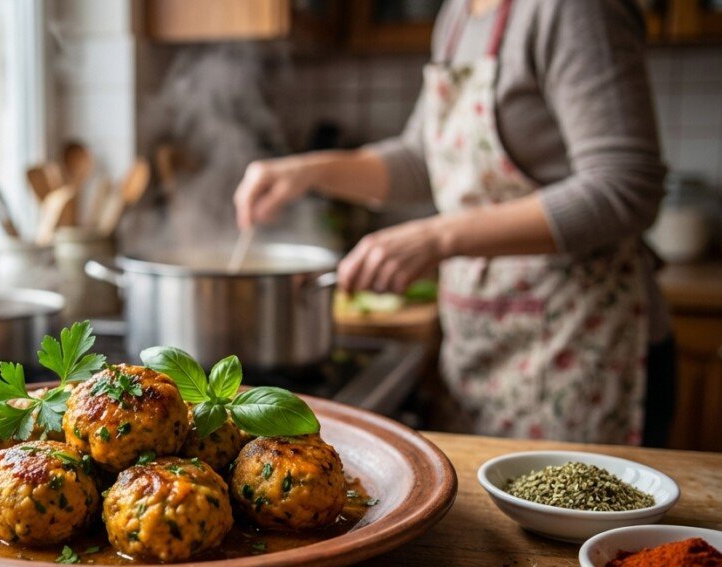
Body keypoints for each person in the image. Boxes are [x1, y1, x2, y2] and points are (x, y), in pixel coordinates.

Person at [232, 0, 673, 447]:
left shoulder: (572, 10)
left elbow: (625, 185)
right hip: (484, 339)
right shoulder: (459, 16)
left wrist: (438, 235)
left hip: (579, 344)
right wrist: (307, 171)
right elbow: (422, 159)